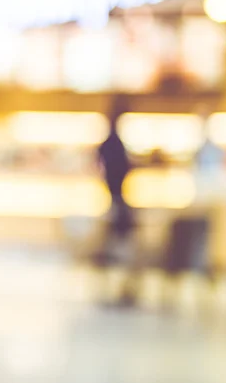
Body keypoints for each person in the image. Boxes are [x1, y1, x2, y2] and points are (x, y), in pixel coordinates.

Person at [97, 95, 137, 305]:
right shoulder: (114, 143)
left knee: (117, 246)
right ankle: (117, 289)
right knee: (119, 247)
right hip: (116, 201)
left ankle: (117, 288)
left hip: (114, 201)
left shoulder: (111, 142)